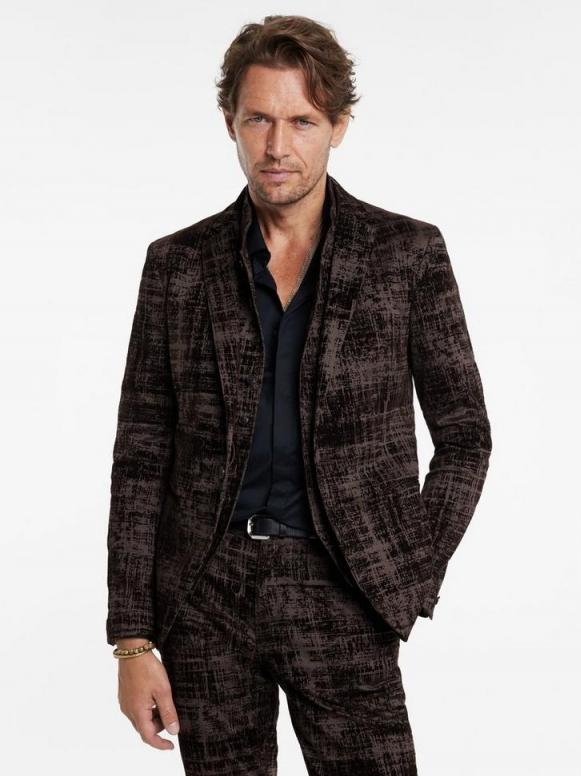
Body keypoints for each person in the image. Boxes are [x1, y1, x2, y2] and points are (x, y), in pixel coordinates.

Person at [106, 14, 492, 775]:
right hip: (205, 595)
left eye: (302, 121)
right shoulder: (177, 265)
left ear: (338, 126)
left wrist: (408, 566)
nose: (277, 146)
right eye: (259, 119)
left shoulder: (405, 255)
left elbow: (465, 435)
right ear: (230, 123)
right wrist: (132, 638)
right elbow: (142, 453)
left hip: (344, 587)